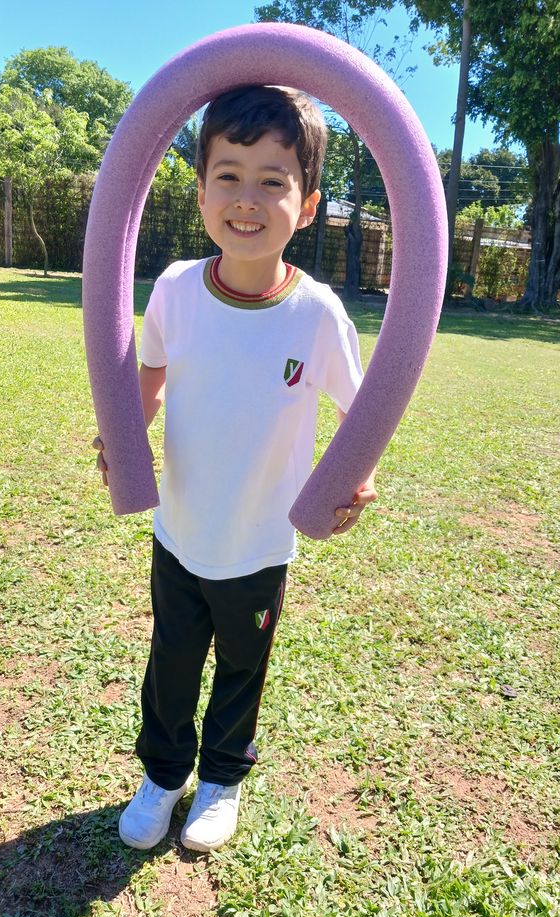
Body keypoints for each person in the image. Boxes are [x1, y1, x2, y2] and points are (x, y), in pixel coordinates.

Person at [92, 85, 377, 854]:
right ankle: (163, 777)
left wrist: (357, 479)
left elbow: (363, 412)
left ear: (307, 206)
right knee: (171, 663)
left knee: (241, 672)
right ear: (200, 192)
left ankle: (221, 780)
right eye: (228, 175)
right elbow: (150, 374)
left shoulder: (317, 314)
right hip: (180, 531)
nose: (246, 199)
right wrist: (123, 435)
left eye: (271, 181)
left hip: (259, 545)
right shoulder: (177, 288)